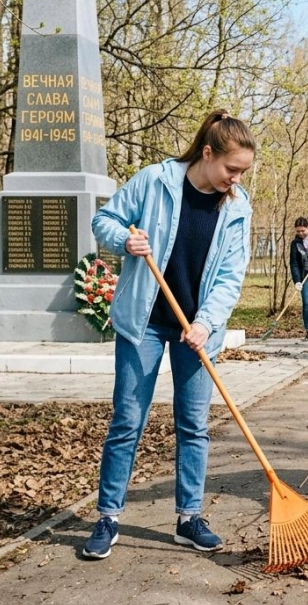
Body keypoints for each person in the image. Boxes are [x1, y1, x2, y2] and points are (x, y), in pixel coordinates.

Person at [84, 109, 255, 560]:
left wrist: (205, 323)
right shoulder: (154, 181)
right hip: (144, 322)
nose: (235, 179)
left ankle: (189, 517)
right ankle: (107, 517)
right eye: (230, 169)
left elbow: (231, 277)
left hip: (196, 330)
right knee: (127, 420)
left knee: (194, 424)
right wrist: (125, 240)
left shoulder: (238, 206)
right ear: (207, 153)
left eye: (242, 172)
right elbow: (105, 221)